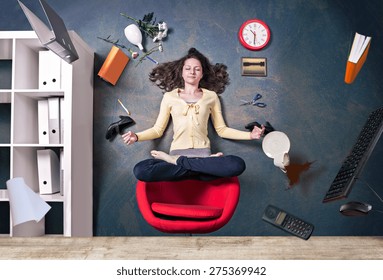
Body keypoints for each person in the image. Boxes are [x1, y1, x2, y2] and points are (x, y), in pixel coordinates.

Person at [122, 48, 265, 182]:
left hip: (200, 159)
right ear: (182, 72)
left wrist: (250, 136)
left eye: (197, 69)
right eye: (188, 68)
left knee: (237, 164)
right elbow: (157, 130)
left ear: (202, 74)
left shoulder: (211, 96)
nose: (192, 72)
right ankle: (191, 166)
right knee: (141, 170)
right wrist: (137, 137)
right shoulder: (169, 97)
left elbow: (222, 130)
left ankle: (183, 164)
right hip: (187, 162)